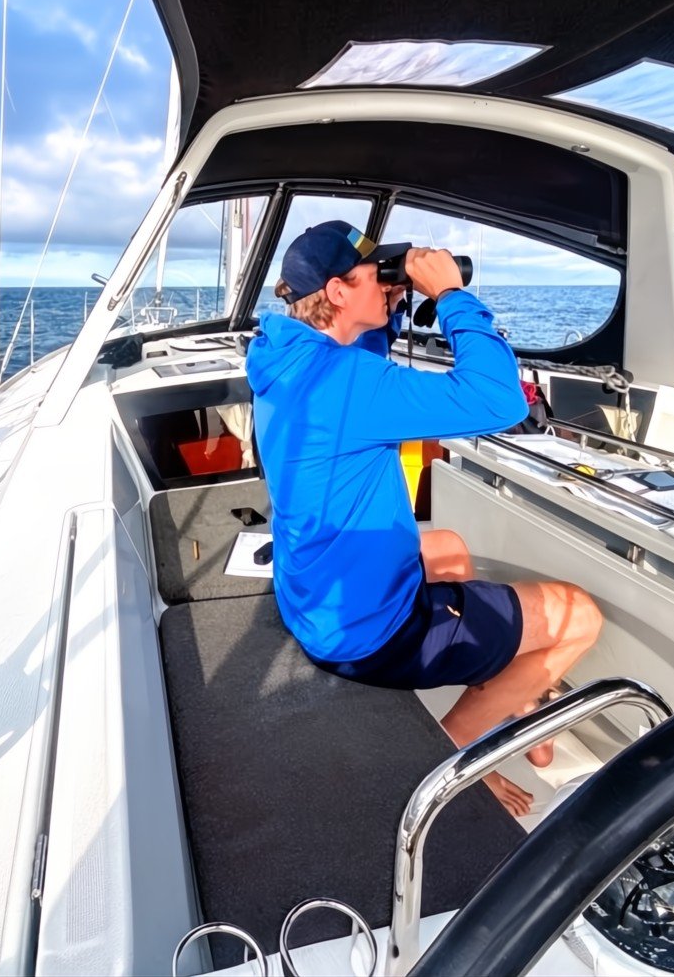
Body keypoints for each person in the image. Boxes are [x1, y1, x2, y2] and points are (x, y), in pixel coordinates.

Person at [246, 221, 602, 815]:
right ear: (336, 292)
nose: (388, 287)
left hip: (314, 598)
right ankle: (455, 747)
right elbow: (499, 399)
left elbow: (360, 352)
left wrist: (384, 301)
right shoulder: (346, 383)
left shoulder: (287, 355)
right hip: (369, 635)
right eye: (374, 277)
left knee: (453, 550)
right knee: (580, 616)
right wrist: (449, 296)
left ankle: (515, 696)